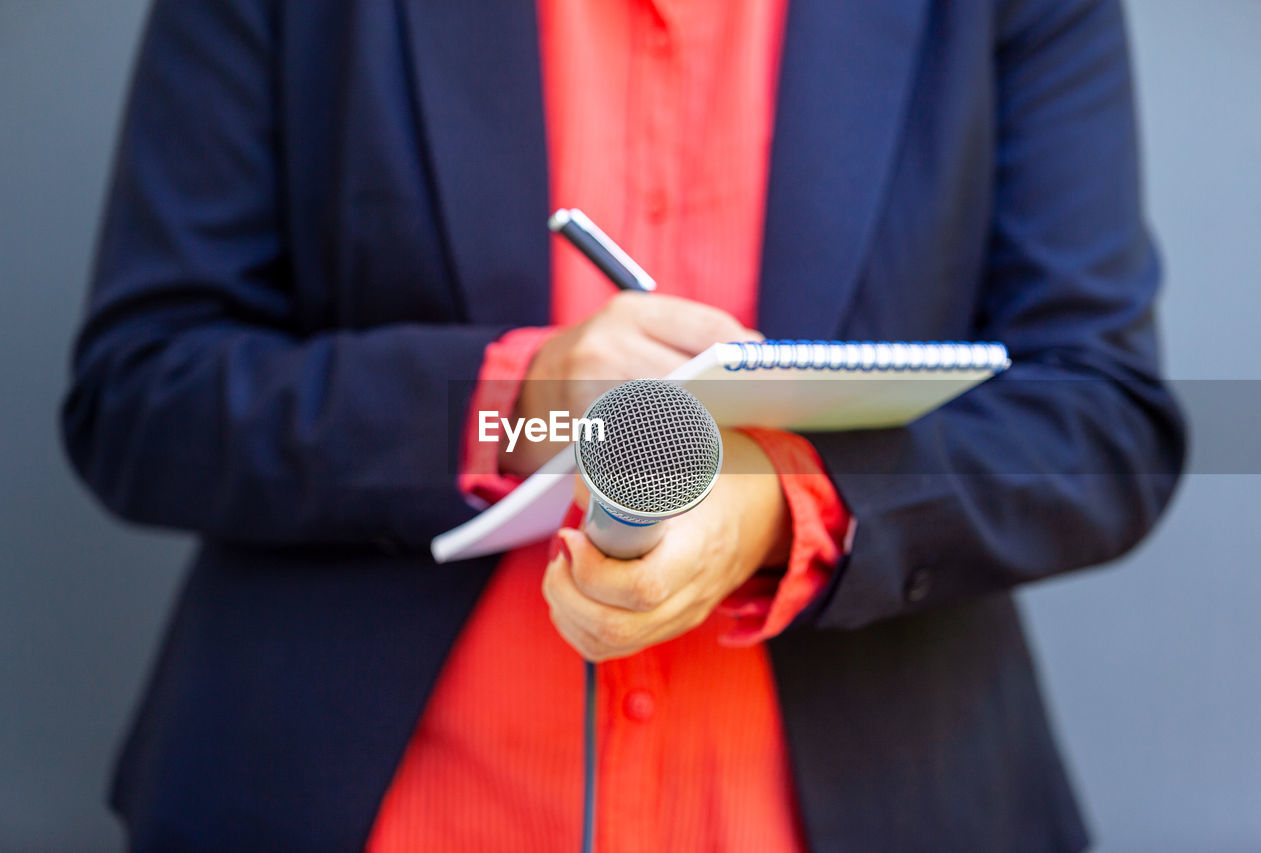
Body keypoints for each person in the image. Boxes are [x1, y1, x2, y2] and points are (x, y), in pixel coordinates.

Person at [63, 0, 1186, 850]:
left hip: (879, 798)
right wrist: (515, 400)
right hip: (375, 803)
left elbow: (1102, 420)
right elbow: (139, 393)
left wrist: (776, 504)